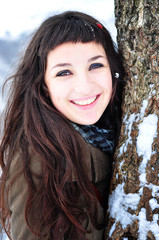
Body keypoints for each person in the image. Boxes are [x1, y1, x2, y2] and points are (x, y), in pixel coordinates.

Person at [0, 11, 125, 240]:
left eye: (95, 65)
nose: (84, 86)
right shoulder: (37, 160)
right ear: (43, 86)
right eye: (64, 72)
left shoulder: (116, 132)